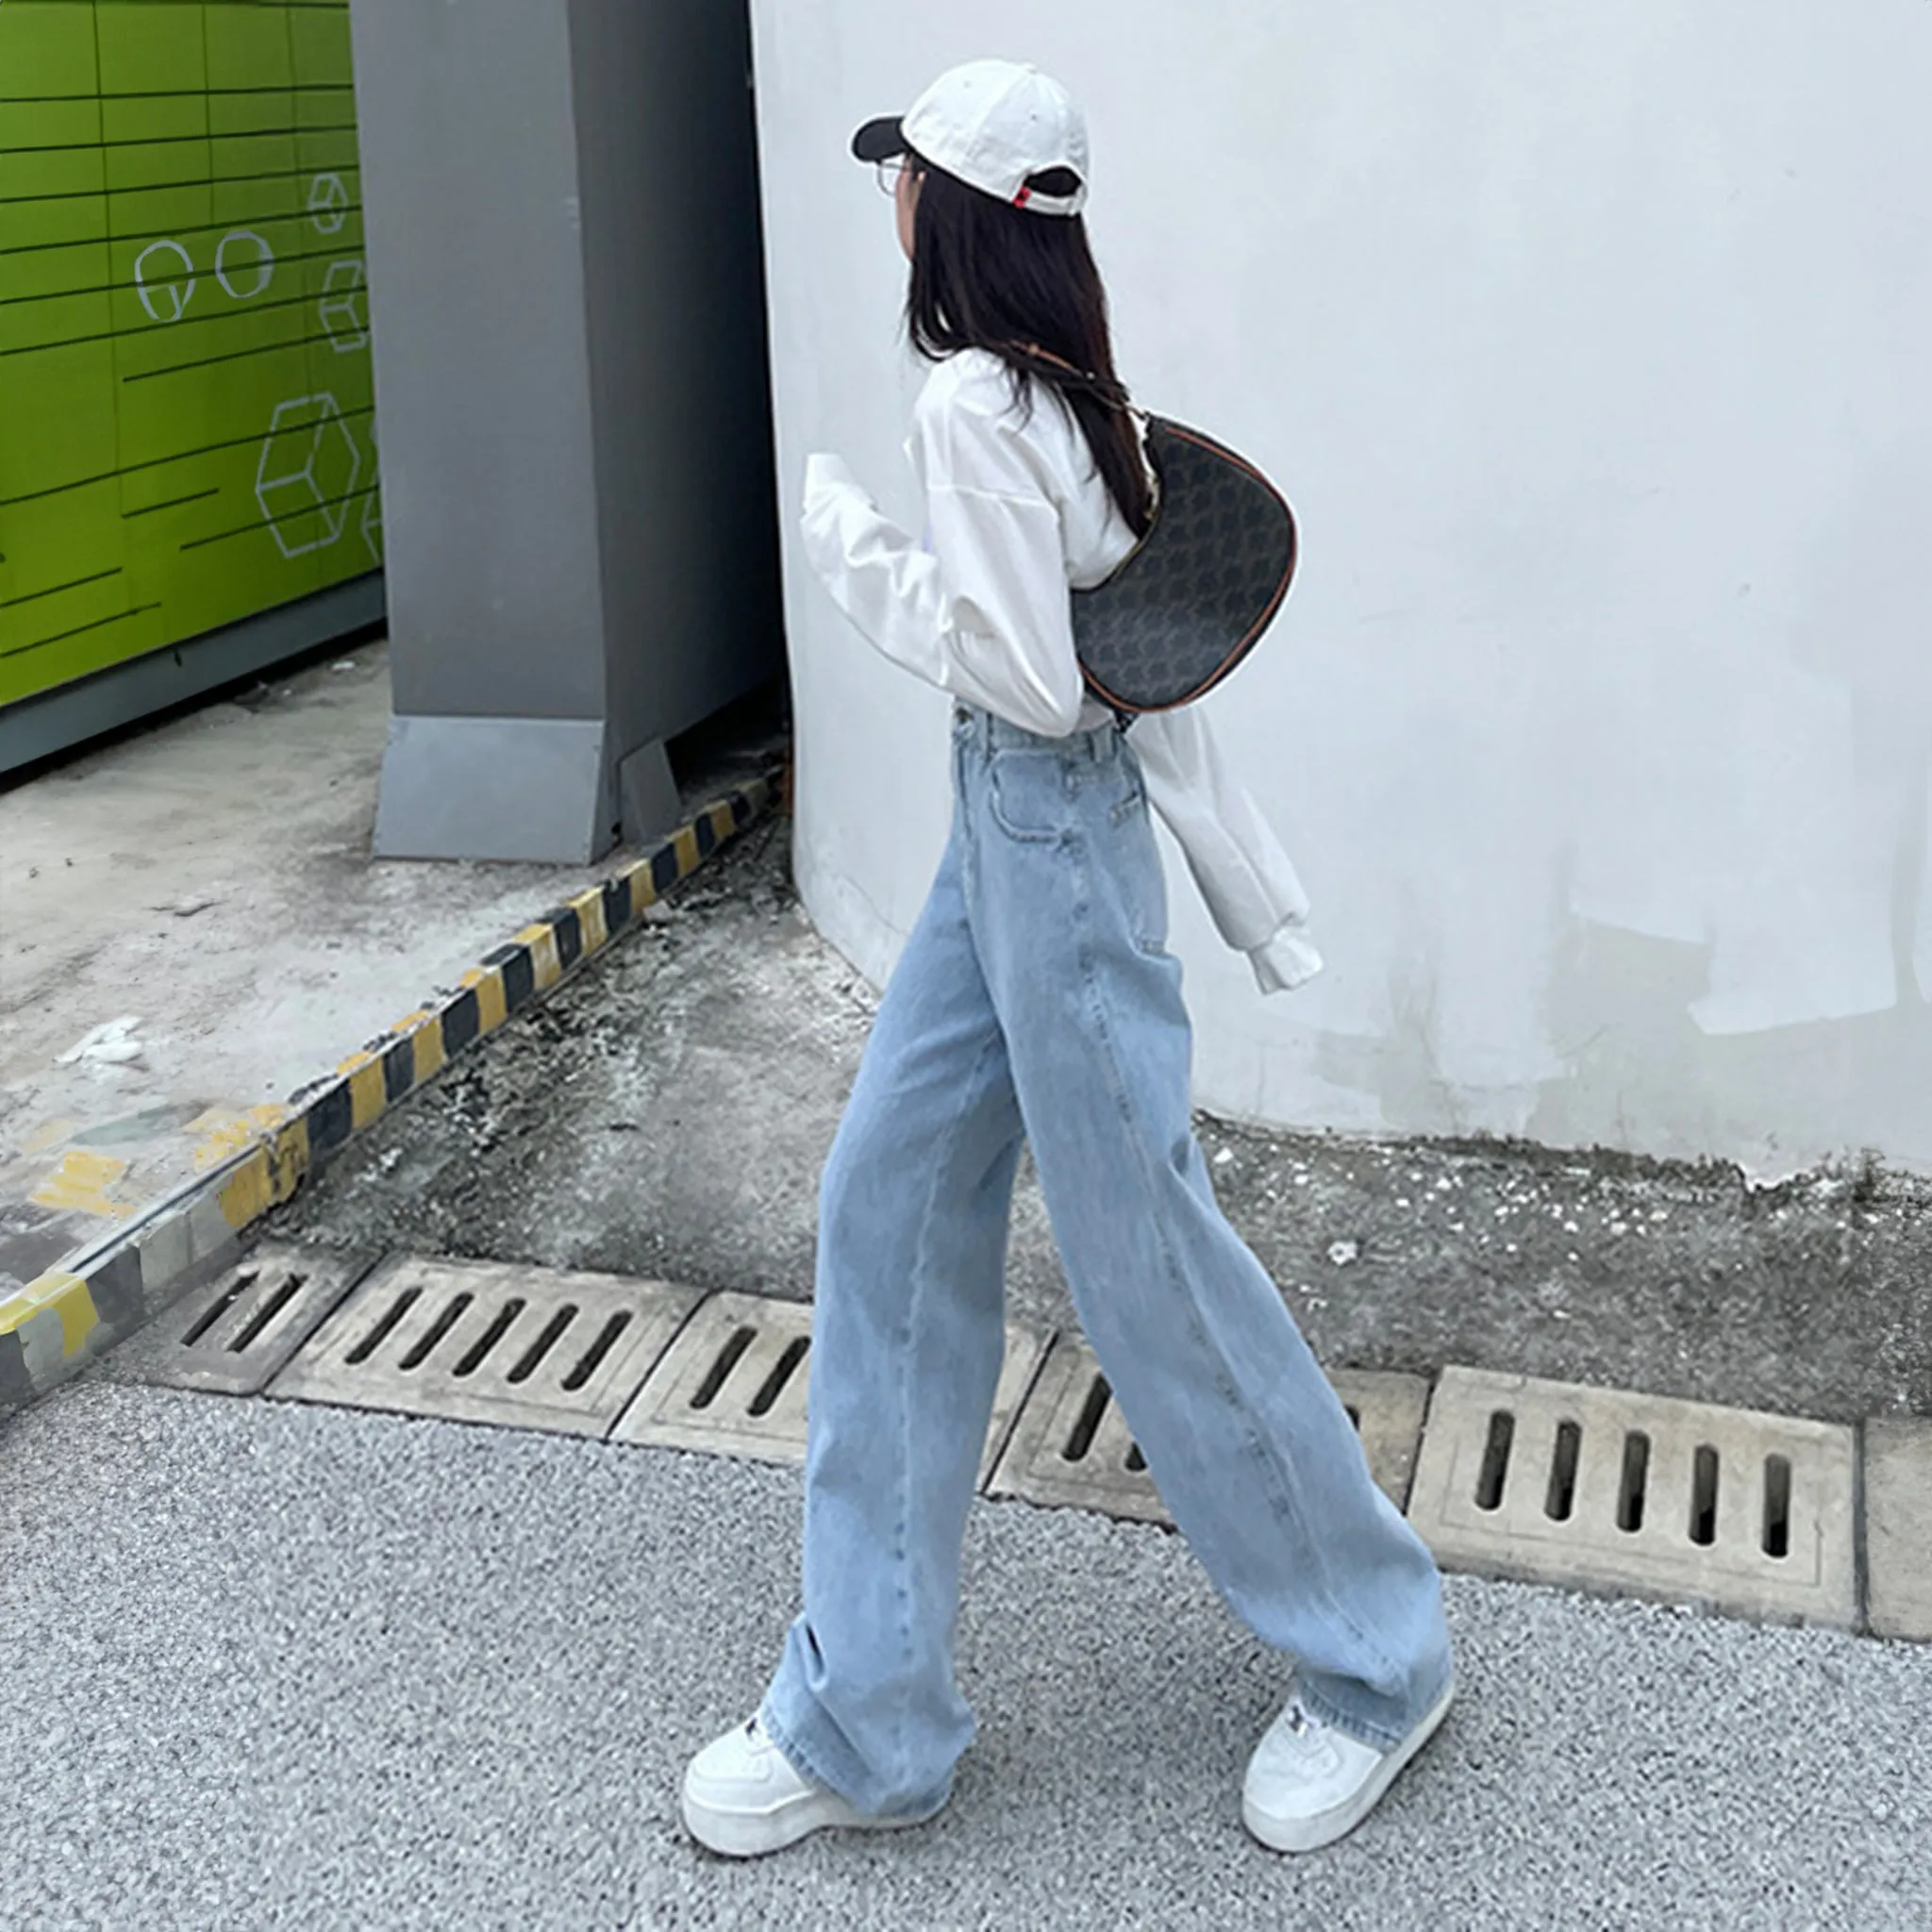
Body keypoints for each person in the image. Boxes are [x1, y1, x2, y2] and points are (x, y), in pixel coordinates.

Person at [682, 58, 1453, 1860]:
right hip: (1026, 839)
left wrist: (851, 551)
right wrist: (1255, 893)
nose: (886, 197)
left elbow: (1038, 683)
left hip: (1041, 842)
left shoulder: (971, 401)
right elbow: (1134, 682)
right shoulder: (1066, 393)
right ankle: (868, 1714)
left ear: (942, 211)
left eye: (901, 175)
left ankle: (1374, 1658)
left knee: (1149, 1263)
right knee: (885, 1201)